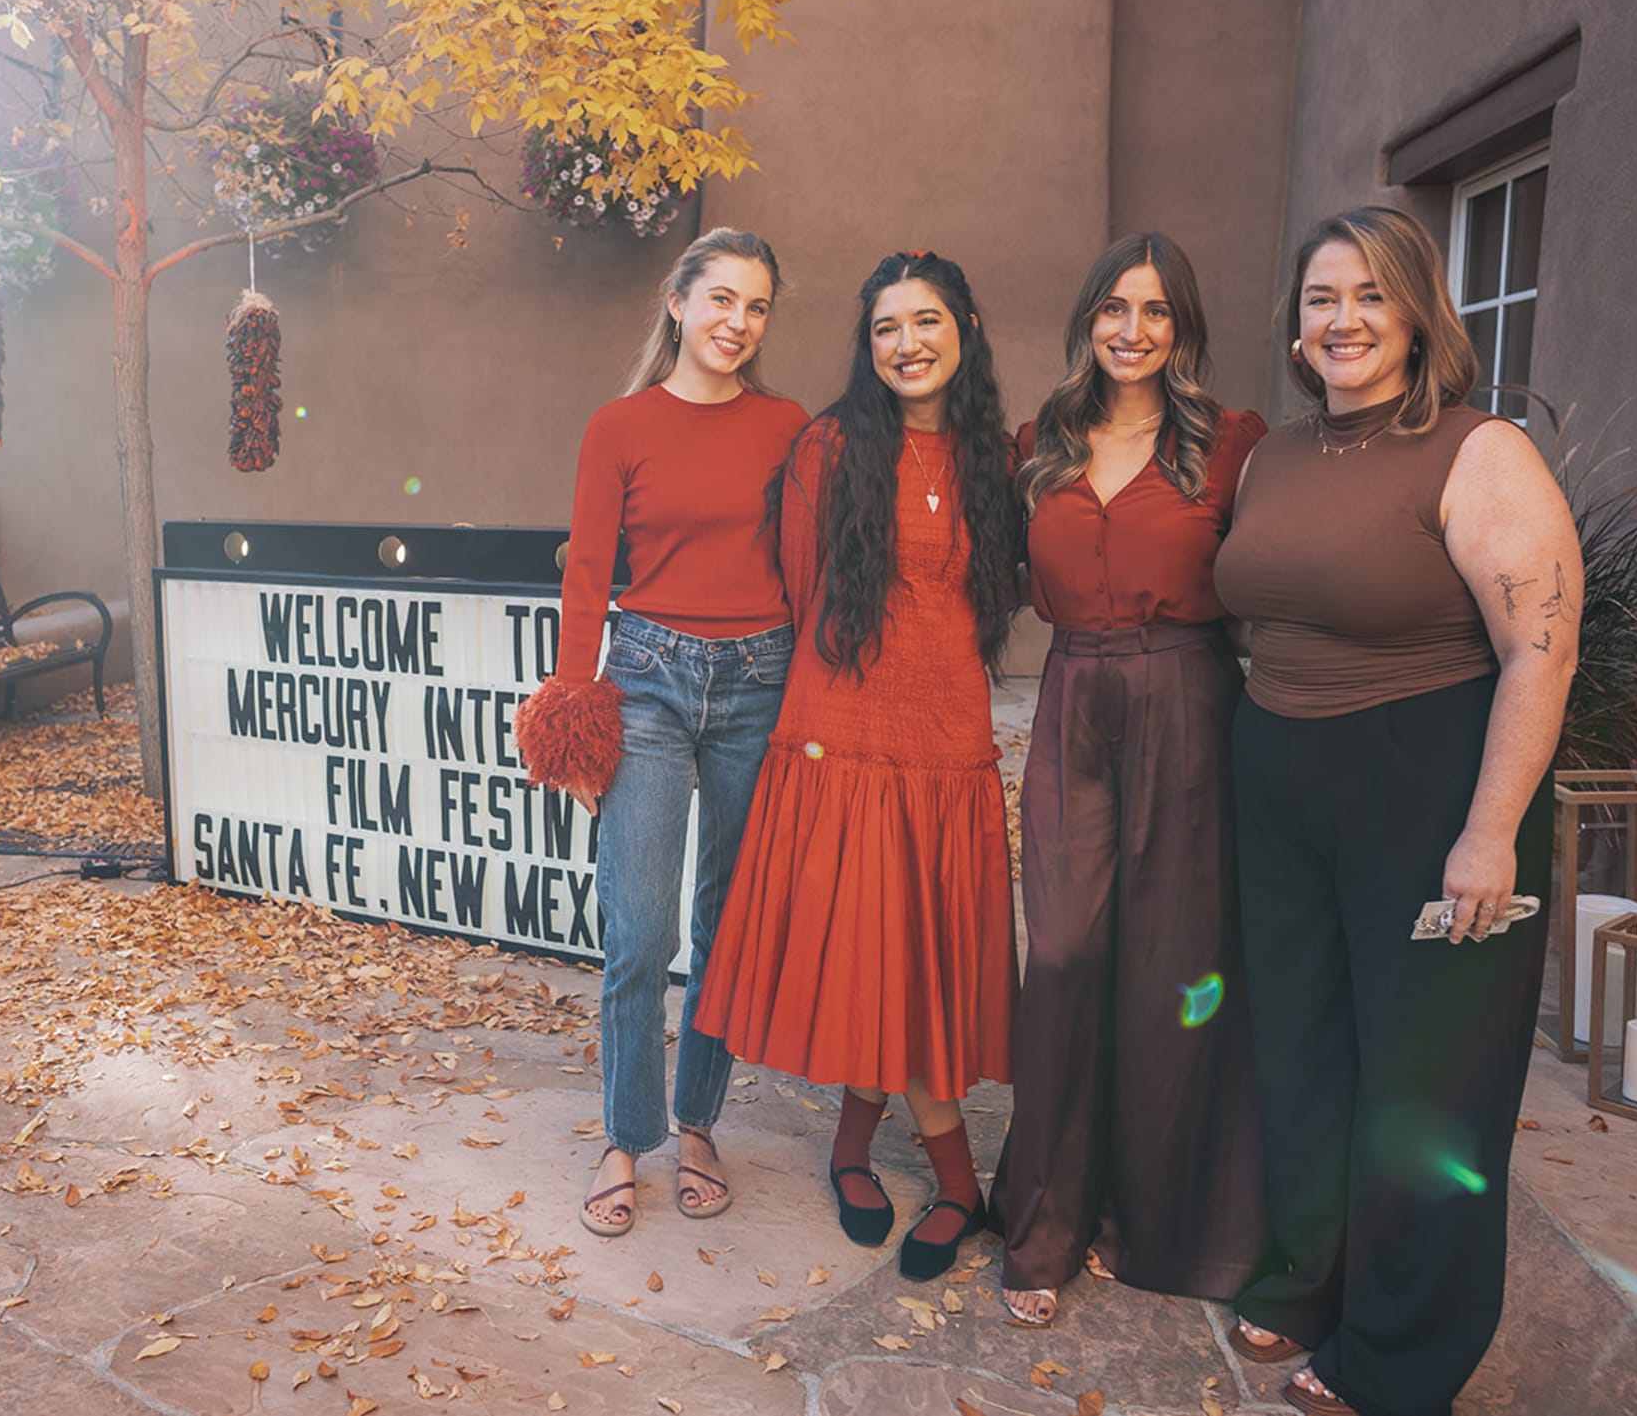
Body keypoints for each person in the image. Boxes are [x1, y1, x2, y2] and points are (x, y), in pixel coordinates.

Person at [1211, 207, 1581, 1416]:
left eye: (1371, 295)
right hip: (1280, 782)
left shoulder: (1481, 451)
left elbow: (1541, 649)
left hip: (1428, 789)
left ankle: (1400, 1355)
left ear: (1421, 313)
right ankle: (1309, 1278)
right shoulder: (1279, 455)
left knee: (1428, 1084)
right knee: (1304, 1052)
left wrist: (1489, 832)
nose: (1344, 320)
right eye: (1322, 297)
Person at [694, 250, 1023, 1283]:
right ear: (865, 342)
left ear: (963, 326)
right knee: (871, 945)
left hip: (948, 740)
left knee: (921, 951)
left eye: (925, 321)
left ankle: (862, 1144)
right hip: (841, 728)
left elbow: (998, 594)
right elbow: (801, 591)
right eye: (885, 327)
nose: (907, 344)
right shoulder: (827, 448)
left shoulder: (994, 458)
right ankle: (951, 1170)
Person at [988, 233, 1269, 1327]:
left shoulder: (1232, 444)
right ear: (1087, 320)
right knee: (1060, 953)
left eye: (1155, 311)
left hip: (1193, 700)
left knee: (1174, 963)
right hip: (1073, 702)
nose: (1132, 329)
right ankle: (1048, 1219)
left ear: (1182, 327)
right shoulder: (1039, 442)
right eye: (1114, 307)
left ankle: (1164, 1220)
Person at [513, 227, 807, 1239]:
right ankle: (624, 1136)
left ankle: (698, 1123)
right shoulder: (620, 425)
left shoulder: (788, 427)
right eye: (721, 297)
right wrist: (574, 719)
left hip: (759, 682)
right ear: (678, 301)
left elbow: (808, 572)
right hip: (646, 683)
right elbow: (587, 576)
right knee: (641, 929)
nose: (737, 321)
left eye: (757, 305)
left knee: (724, 928)